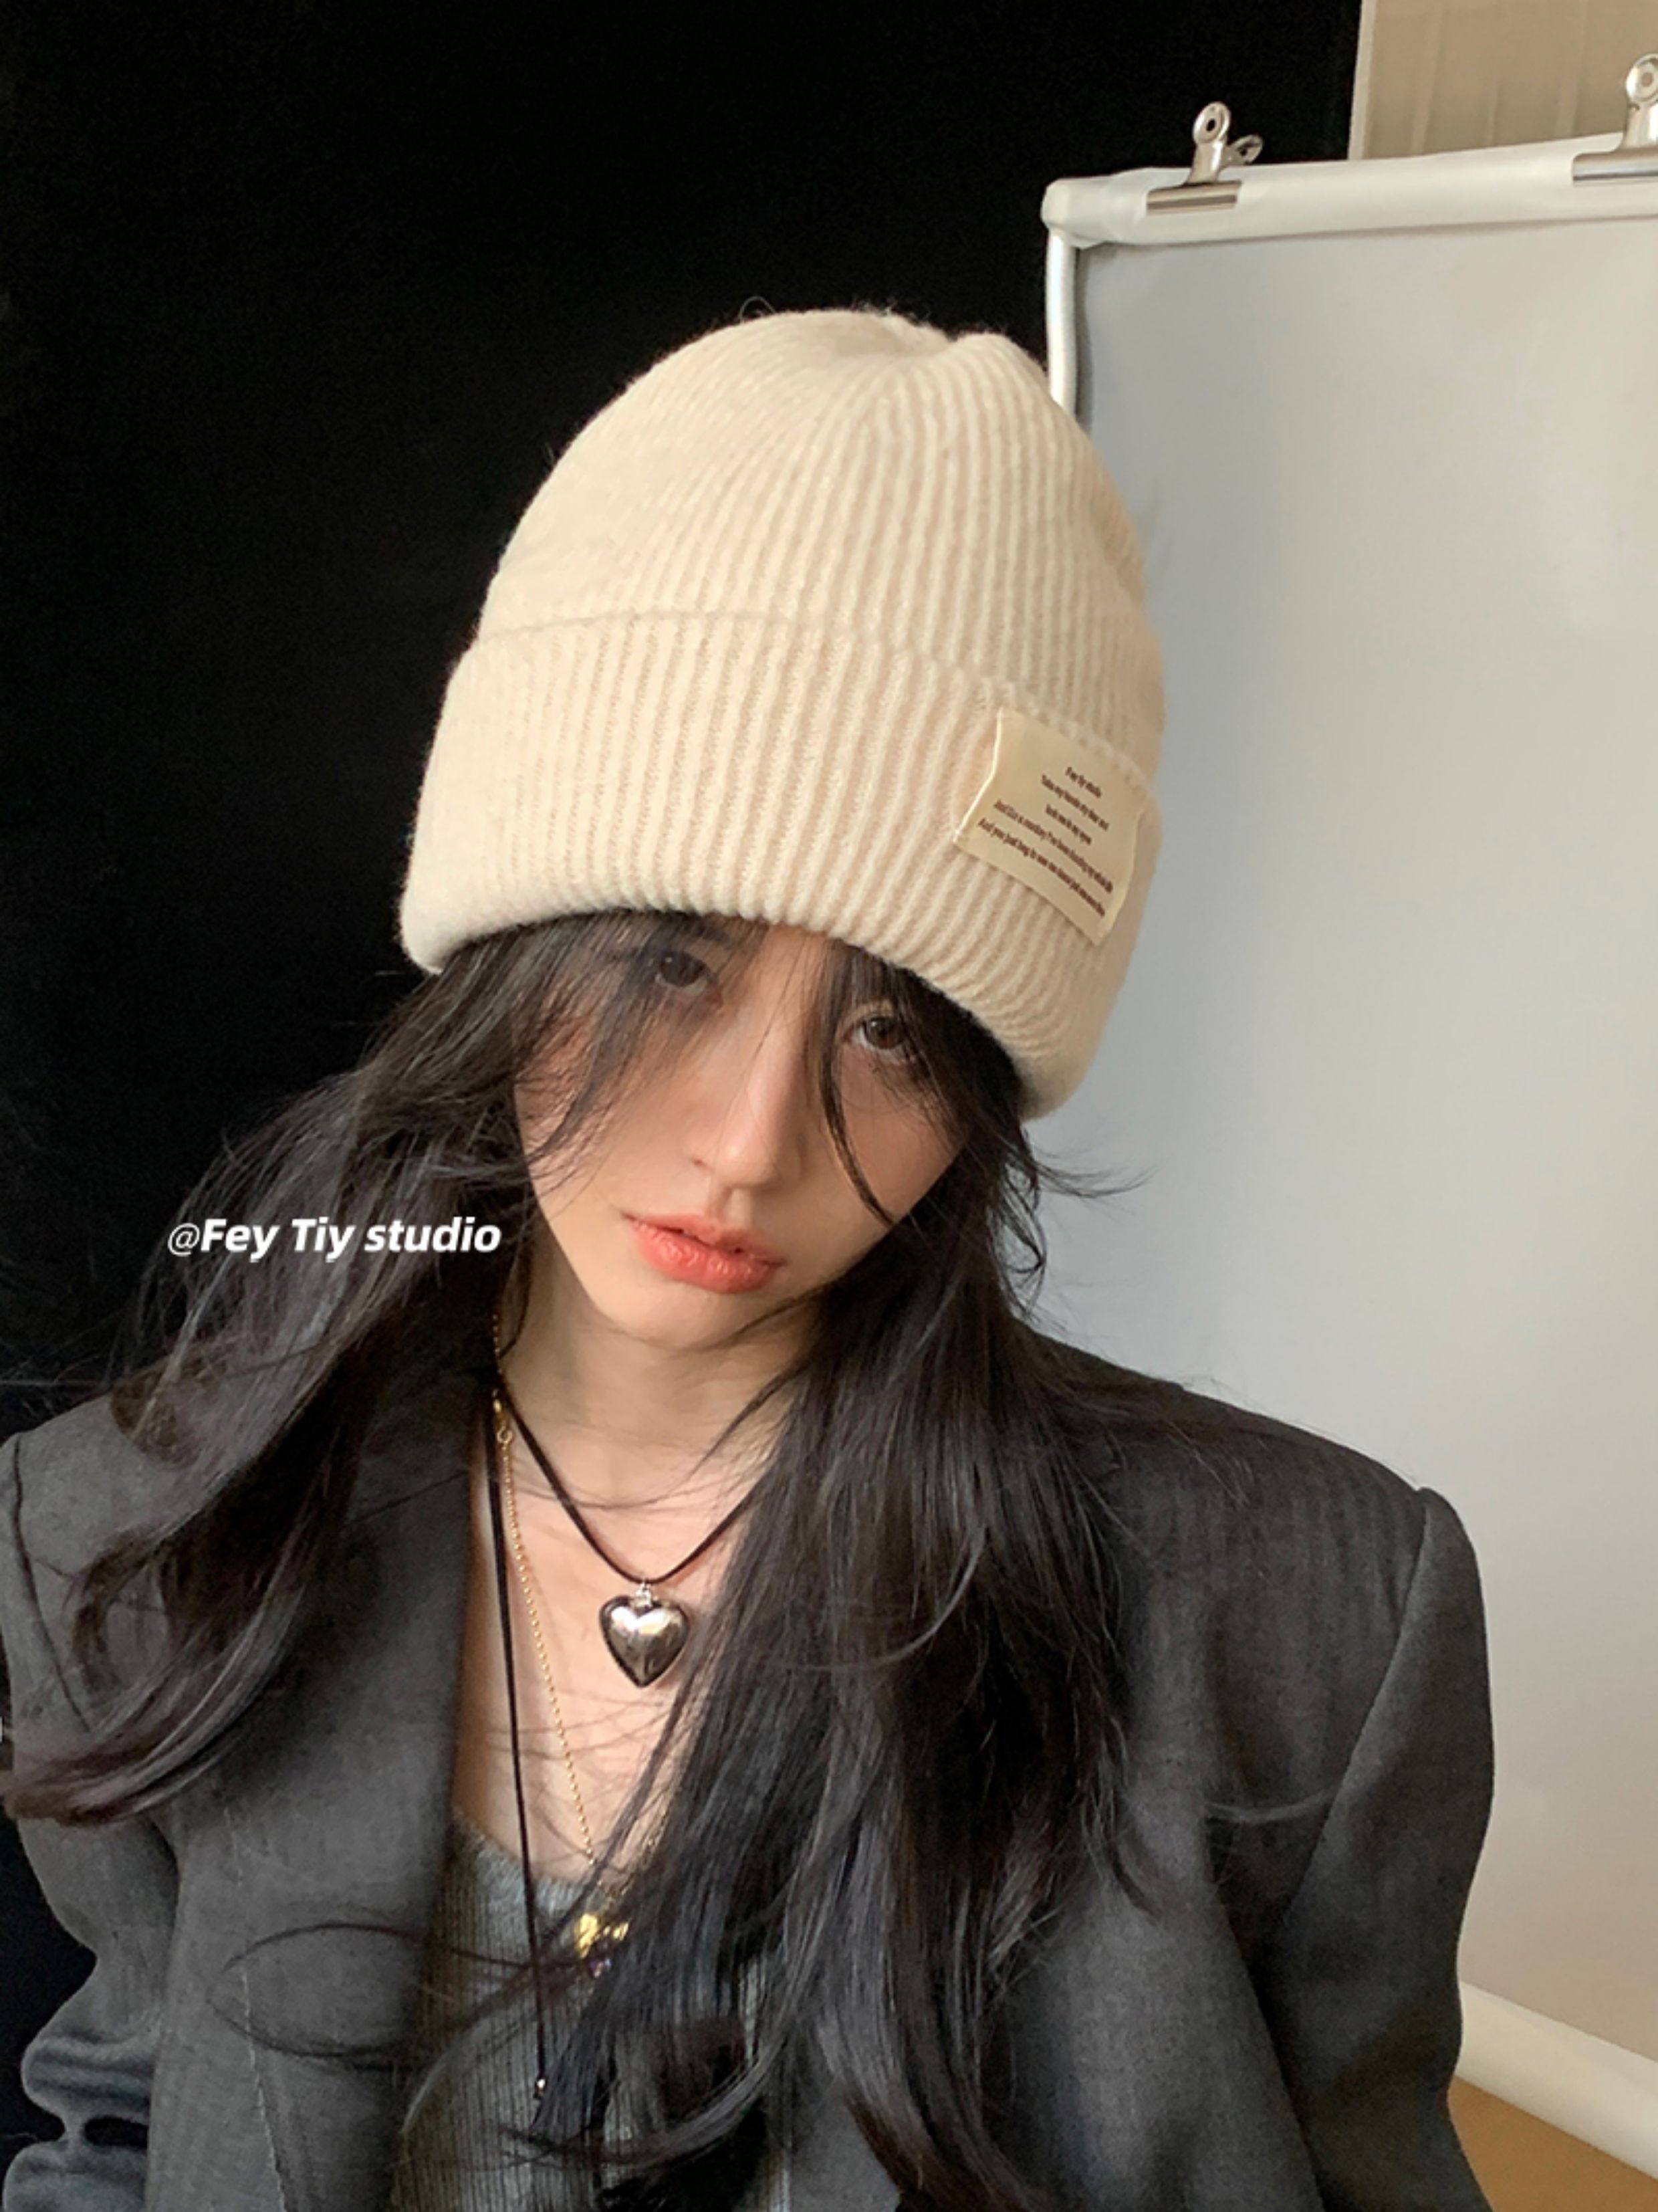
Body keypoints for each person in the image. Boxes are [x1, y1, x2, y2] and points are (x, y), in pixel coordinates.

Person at [0, 306, 1496, 2212]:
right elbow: (128, 2134)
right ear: (513, 944)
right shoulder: (141, 1547)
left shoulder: (1305, 1627)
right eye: (671, 966)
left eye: (893, 1029)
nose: (751, 1141)